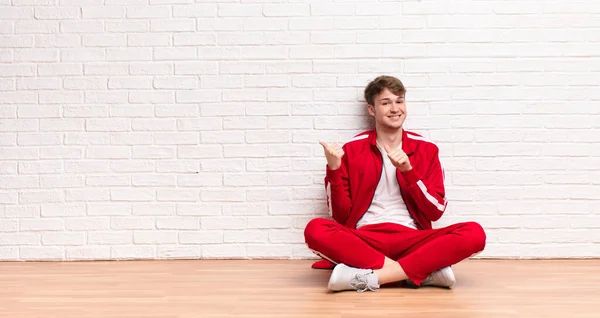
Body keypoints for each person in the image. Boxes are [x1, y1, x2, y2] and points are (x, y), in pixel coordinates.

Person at [304, 75, 486, 293]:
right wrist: (334, 169)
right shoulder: (352, 150)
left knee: (474, 233)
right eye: (385, 103)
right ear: (371, 110)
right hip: (365, 238)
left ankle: (371, 277)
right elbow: (341, 216)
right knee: (315, 229)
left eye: (399, 101)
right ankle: (422, 272)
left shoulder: (426, 149)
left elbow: (435, 211)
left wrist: (408, 171)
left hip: (413, 239)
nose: (394, 108)